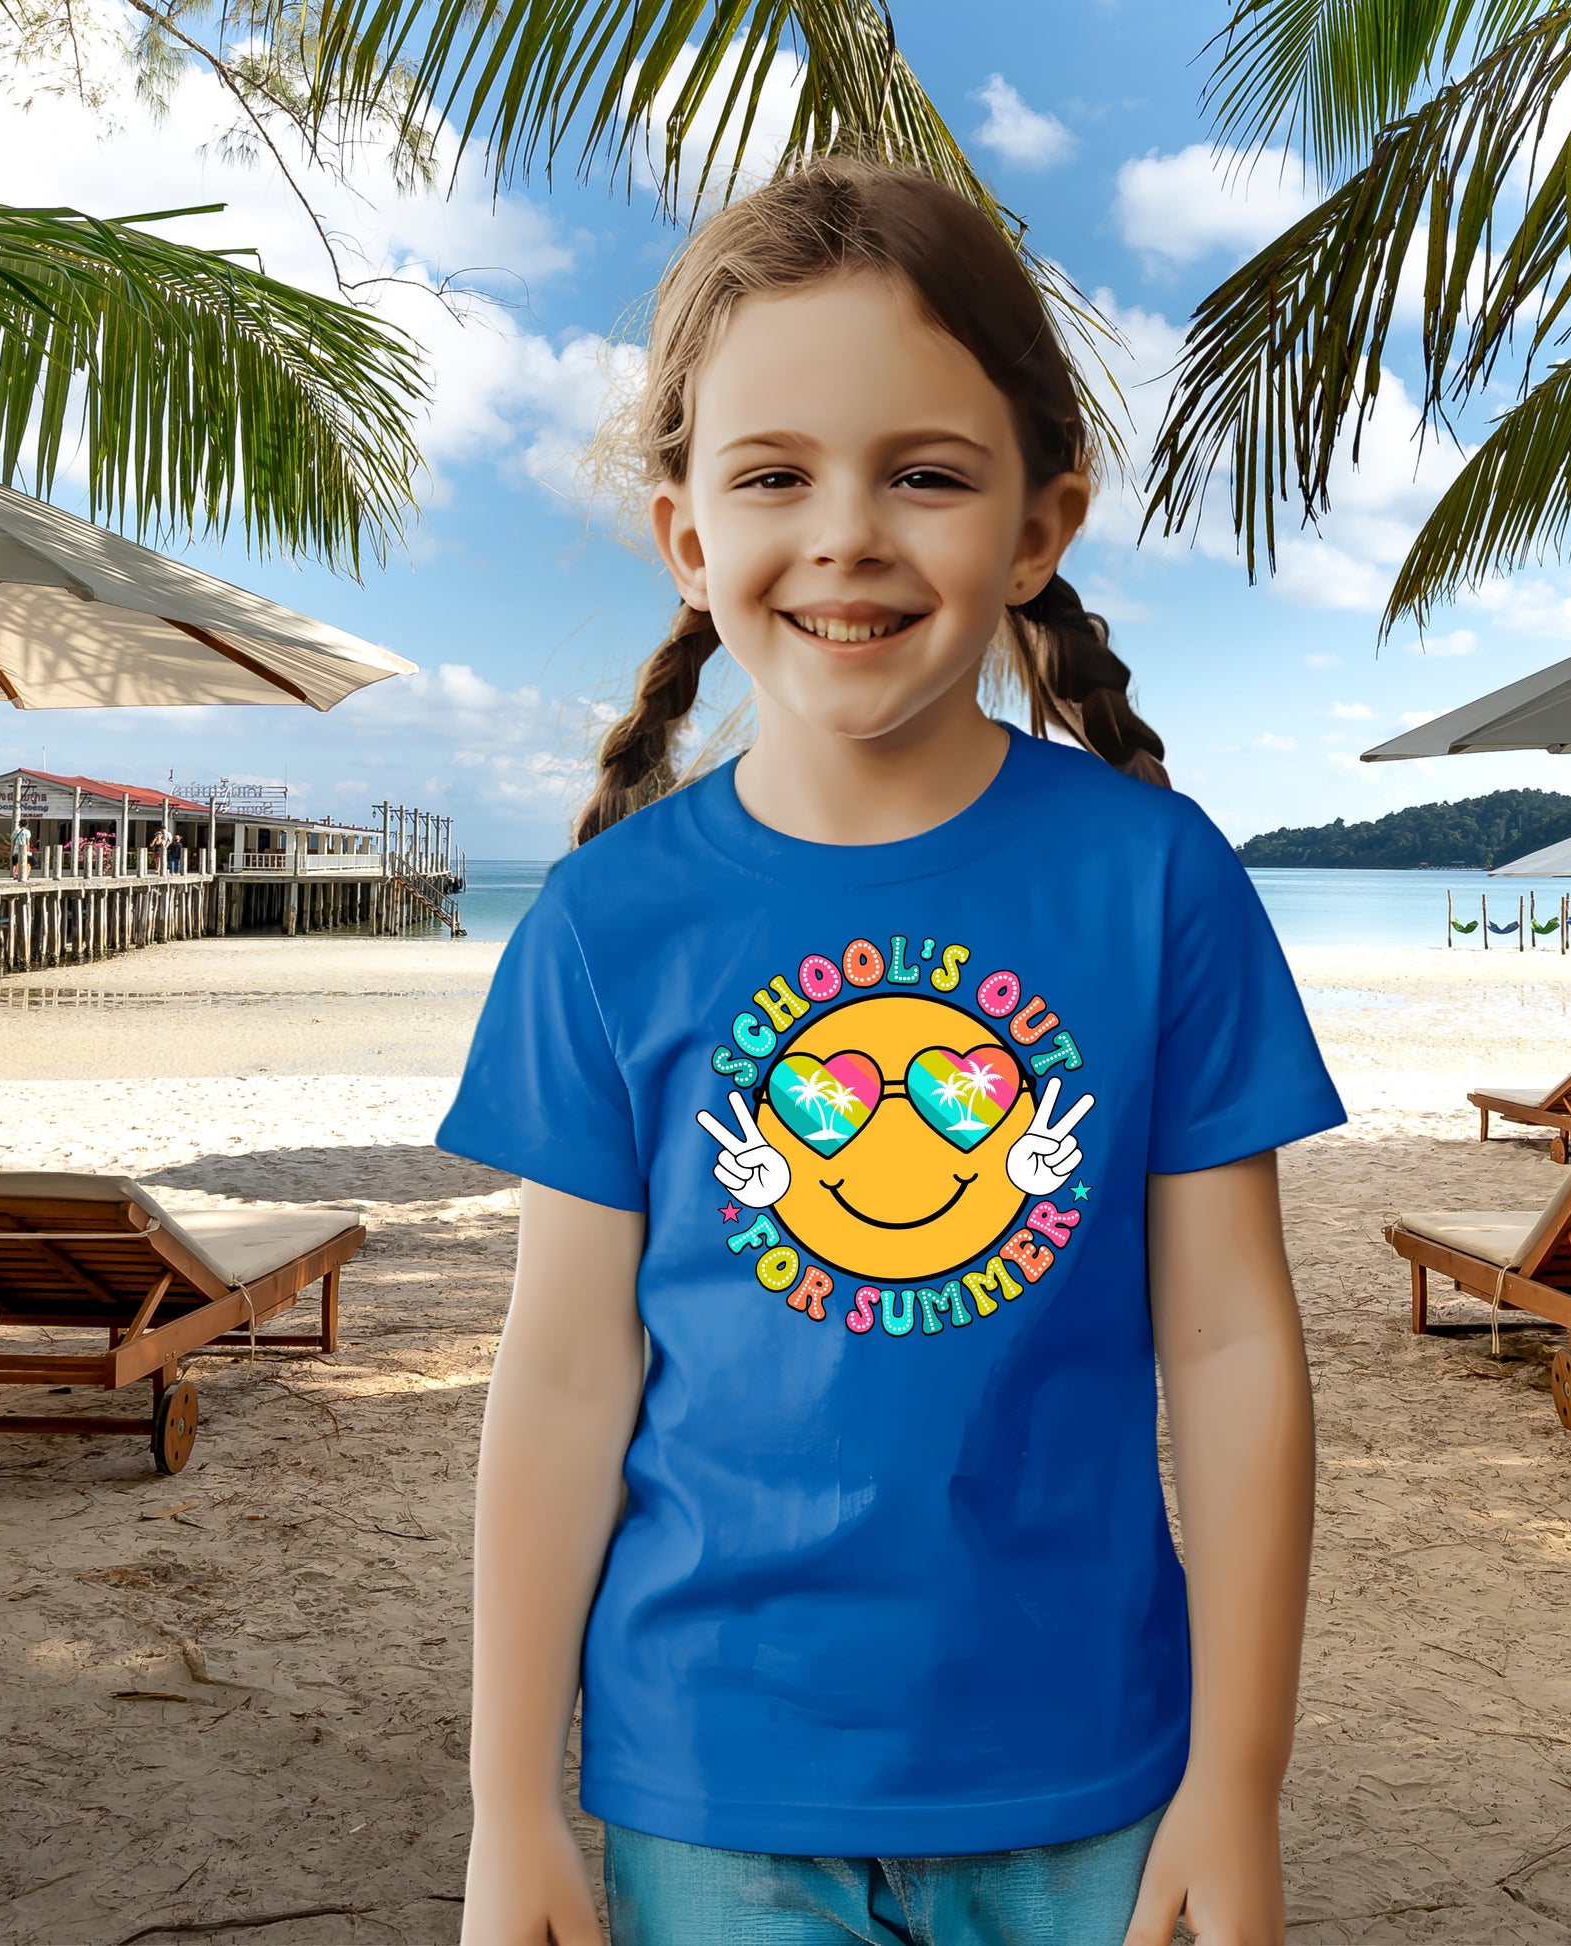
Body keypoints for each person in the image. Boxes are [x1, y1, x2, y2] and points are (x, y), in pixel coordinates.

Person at [437, 159, 1344, 1946]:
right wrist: (502, 1802)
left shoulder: (1153, 883)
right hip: (708, 1793)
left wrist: (1236, 1781)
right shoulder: (606, 924)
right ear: (690, 534)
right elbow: (556, 1382)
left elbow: (1232, 1347)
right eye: (775, 473)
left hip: (1091, 1779)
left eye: (922, 473)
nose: (846, 532)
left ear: (1035, 524)